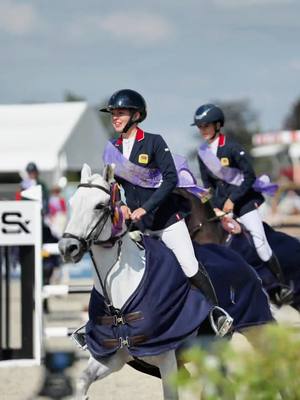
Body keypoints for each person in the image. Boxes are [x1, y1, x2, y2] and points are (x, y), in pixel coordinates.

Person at [101, 89, 233, 336]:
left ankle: (216, 314)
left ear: (136, 115)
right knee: (113, 264)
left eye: (120, 113)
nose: (115, 118)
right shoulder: (112, 147)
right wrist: (122, 205)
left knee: (189, 265)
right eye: (113, 114)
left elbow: (170, 179)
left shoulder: (153, 141)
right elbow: (111, 183)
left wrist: (144, 207)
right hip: (137, 227)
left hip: (166, 222)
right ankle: (103, 324)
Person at [192, 103, 294, 305]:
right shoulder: (202, 153)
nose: (202, 130)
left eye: (206, 126)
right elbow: (208, 184)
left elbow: (249, 177)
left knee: (260, 242)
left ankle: (281, 287)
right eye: (199, 126)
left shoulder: (232, 147)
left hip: (244, 201)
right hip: (223, 207)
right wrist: (214, 206)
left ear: (217, 125)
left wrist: (233, 199)